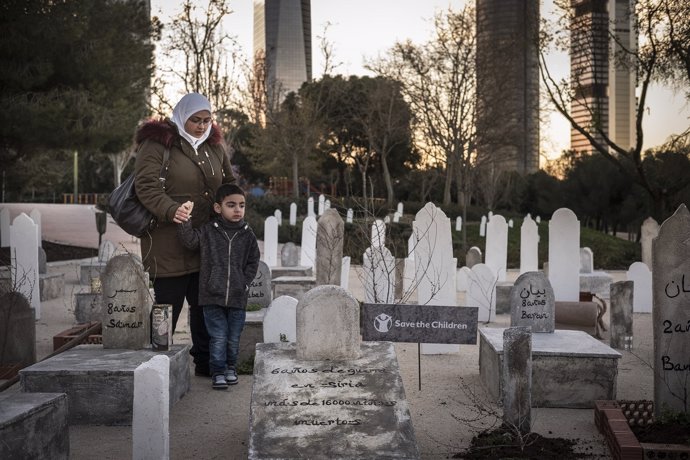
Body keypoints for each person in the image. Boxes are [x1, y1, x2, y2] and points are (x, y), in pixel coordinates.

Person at [134, 93, 235, 377]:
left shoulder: (214, 147)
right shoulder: (158, 144)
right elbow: (146, 186)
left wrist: (230, 210)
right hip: (167, 241)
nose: (202, 126)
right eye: (195, 120)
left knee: (205, 308)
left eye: (207, 120)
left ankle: (206, 362)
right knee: (167, 305)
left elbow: (228, 183)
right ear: (181, 117)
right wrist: (171, 210)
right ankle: (156, 364)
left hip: (205, 240)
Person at [176, 184, 260, 389]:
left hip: (238, 298)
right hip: (211, 296)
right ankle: (218, 372)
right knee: (218, 337)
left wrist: (245, 282)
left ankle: (231, 368)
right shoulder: (208, 232)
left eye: (241, 205)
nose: (237, 210)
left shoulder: (248, 234)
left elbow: (253, 260)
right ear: (217, 207)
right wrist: (185, 219)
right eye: (231, 205)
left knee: (233, 338)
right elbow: (189, 241)